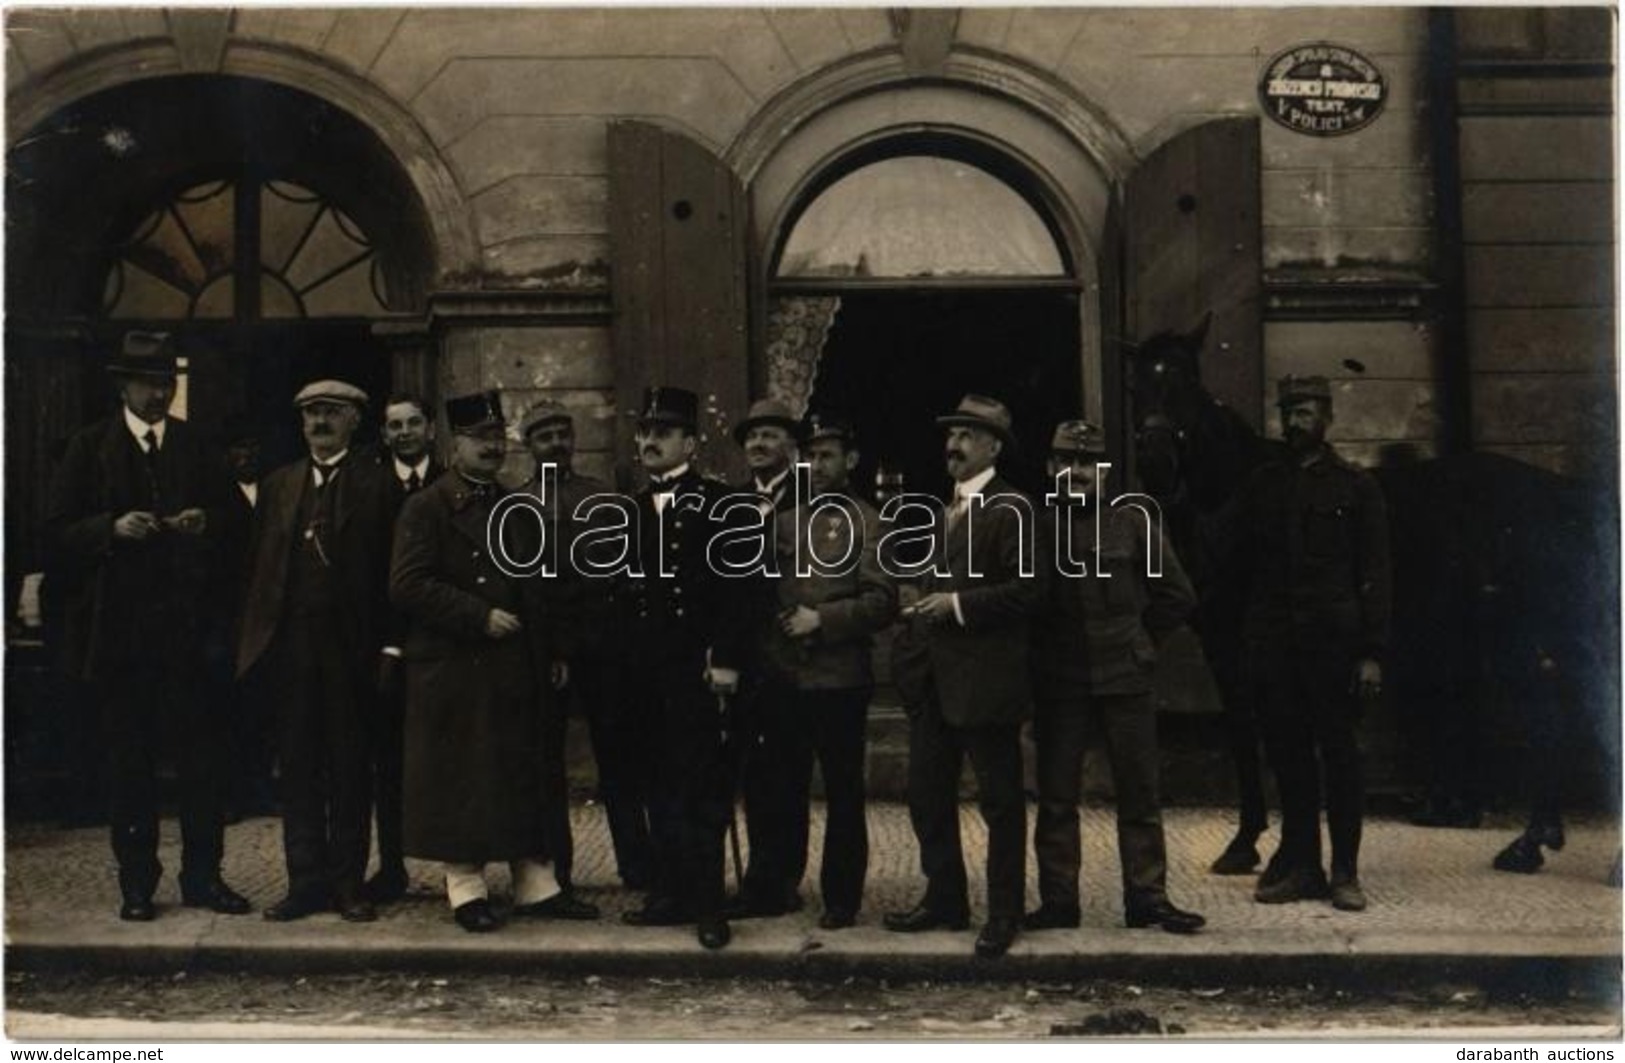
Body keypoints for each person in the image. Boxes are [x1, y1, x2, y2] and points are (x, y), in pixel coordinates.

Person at [45, 330, 250, 921]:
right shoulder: (90, 448)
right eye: (147, 384)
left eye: (166, 384)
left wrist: (204, 520)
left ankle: (203, 878)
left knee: (203, 764)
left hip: (191, 642)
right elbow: (54, 532)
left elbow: (240, 523)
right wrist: (110, 528)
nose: (158, 395)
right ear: (122, 386)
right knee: (128, 766)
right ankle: (137, 883)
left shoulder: (197, 446)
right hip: (122, 642)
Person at [391, 390, 573, 932]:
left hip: (514, 665)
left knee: (518, 770)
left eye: (498, 438)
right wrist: (477, 615)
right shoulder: (425, 507)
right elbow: (407, 585)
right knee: (460, 779)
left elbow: (540, 587)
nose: (492, 448)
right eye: (480, 439)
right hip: (453, 665)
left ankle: (535, 886)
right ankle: (465, 888)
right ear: (453, 445)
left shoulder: (517, 506)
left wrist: (555, 649)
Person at [1024, 419, 1205, 935]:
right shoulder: (1035, 527)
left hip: (1126, 676)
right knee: (1057, 796)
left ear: (1102, 472)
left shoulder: (1131, 525)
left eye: (1087, 464)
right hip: (1061, 680)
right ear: (1051, 468)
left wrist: (1145, 640)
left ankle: (1147, 898)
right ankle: (1060, 902)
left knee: (1140, 793)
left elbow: (1178, 594)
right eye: (1067, 462)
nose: (1076, 472)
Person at [886, 394, 1046, 958]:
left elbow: (1030, 592)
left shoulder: (1014, 508)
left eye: (967, 436)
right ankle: (945, 899)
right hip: (935, 681)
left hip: (986, 683)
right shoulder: (945, 506)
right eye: (951, 434)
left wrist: (954, 605)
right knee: (927, 796)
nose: (952, 445)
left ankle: (1003, 914)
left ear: (994, 447)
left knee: (1000, 803)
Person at [237, 378, 400, 923]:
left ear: (356, 419)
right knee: (299, 769)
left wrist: (391, 648)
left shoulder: (379, 484)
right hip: (291, 652)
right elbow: (257, 570)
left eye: (331, 413)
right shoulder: (279, 485)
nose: (319, 423)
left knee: (351, 768)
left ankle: (348, 883)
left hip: (353, 651)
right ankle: (304, 882)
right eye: (310, 414)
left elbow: (395, 576)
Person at [732, 414, 896, 927]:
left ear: (850, 460)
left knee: (844, 792)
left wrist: (820, 620)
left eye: (828, 455)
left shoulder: (869, 520)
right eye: (810, 455)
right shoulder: (784, 522)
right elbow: (760, 592)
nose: (816, 465)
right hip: (785, 679)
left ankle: (842, 895)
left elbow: (882, 600)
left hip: (840, 679)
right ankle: (776, 885)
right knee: (781, 786)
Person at [1238, 376, 1390, 911]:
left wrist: (1372, 652)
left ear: (1326, 417)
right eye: (1287, 413)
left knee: (1340, 758)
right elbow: (1247, 568)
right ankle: (1301, 863)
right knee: (1289, 757)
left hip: (1335, 649)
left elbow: (1374, 574)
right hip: (1278, 647)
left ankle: (1345, 871)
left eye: (1303, 412)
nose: (1293, 422)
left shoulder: (1355, 487)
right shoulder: (1265, 484)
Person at [617, 385, 754, 950]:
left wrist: (725, 661)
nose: (650, 441)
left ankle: (708, 903)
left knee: (701, 785)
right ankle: (669, 891)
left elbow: (740, 594)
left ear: (690, 443)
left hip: (697, 671)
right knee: (657, 784)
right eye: (645, 432)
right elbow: (621, 593)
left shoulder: (721, 505)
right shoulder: (628, 508)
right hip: (647, 671)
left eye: (663, 433)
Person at [512, 399, 614, 914]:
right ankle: (559, 871)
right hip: (547, 655)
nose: (555, 443)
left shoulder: (599, 499)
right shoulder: (520, 505)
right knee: (545, 765)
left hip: (601, 649)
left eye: (561, 433)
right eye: (543, 435)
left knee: (620, 759)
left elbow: (611, 575)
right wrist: (553, 650)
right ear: (527, 446)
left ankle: (640, 864)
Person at [366, 393, 444, 905]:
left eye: (414, 423)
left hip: (441, 643)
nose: (405, 432)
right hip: (383, 647)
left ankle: (458, 872)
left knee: (448, 757)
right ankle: (392, 864)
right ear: (384, 434)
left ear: (431, 429)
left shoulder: (450, 484)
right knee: (387, 760)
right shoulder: (367, 485)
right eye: (395, 425)